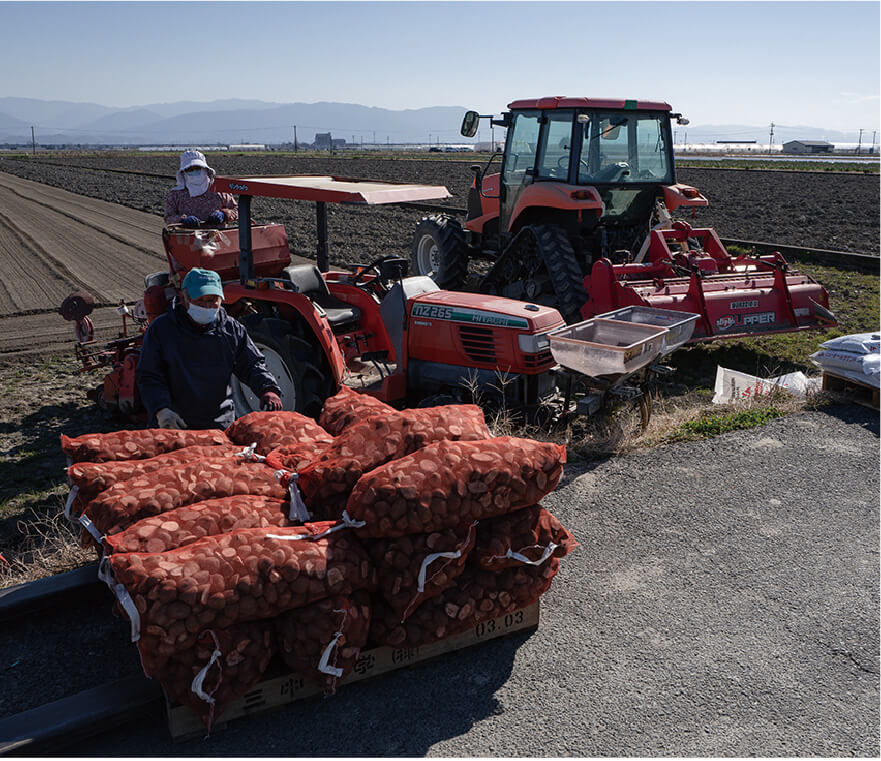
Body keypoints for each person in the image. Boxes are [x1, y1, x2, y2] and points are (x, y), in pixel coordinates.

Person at [136, 268, 283, 429]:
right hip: (174, 423)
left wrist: (267, 388)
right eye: (200, 300)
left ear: (221, 299)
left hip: (219, 425)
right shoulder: (162, 330)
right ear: (184, 299)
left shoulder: (231, 329)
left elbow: (251, 364)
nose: (207, 306)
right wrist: (161, 409)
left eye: (213, 300)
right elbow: (149, 375)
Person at [164, 150, 239, 228]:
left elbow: (237, 210)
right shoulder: (176, 194)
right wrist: (182, 220)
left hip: (217, 236)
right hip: (187, 237)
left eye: (197, 168)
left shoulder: (219, 190)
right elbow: (168, 217)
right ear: (184, 173)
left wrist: (225, 214)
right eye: (190, 170)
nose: (194, 172)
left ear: (205, 169)